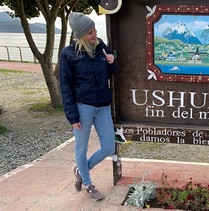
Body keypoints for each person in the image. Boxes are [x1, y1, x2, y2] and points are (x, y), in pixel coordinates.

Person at [60, 12, 116, 201]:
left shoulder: (100, 47)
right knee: (81, 147)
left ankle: (80, 170)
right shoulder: (68, 54)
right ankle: (88, 183)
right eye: (91, 32)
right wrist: (72, 115)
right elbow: (65, 86)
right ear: (82, 35)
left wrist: (111, 62)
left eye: (95, 30)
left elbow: (109, 72)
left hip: (103, 106)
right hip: (82, 107)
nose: (95, 34)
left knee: (109, 148)